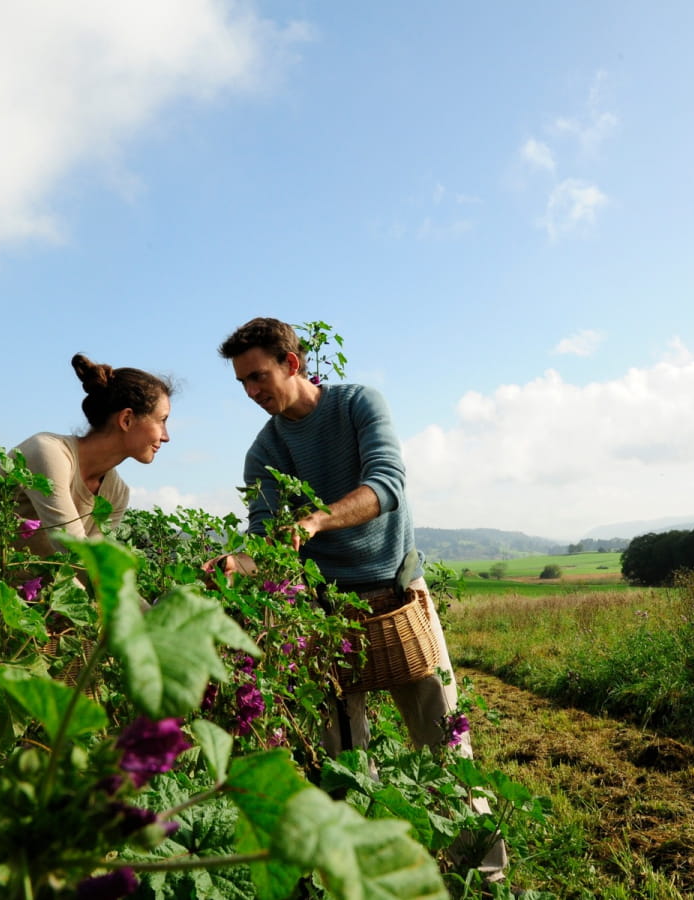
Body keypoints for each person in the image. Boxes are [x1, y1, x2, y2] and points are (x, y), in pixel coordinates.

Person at [205, 317, 506, 880]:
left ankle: (487, 877)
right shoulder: (264, 452)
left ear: (292, 364)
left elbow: (388, 483)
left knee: (444, 739)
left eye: (259, 376)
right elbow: (268, 541)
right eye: (243, 382)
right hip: (325, 616)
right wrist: (237, 564)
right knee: (342, 757)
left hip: (398, 595)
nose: (252, 392)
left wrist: (318, 518)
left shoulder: (357, 405)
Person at [0, 353, 171, 578]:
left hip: (21, 613)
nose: (166, 436)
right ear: (126, 419)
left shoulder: (116, 493)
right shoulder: (48, 453)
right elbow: (79, 556)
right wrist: (150, 619)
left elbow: (90, 573)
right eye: (162, 421)